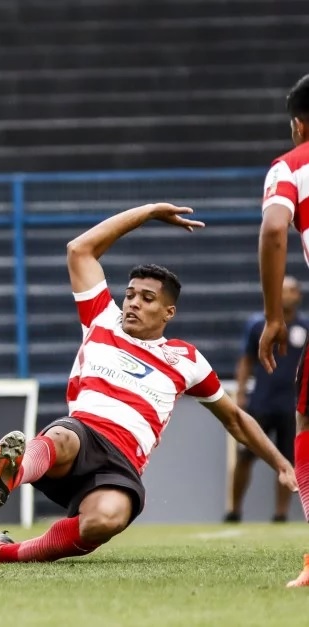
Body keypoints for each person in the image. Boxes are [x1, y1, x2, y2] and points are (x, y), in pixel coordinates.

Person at [0, 202, 298, 567]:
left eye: (147, 298)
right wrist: (149, 211)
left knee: (105, 520)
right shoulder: (101, 320)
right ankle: (9, 474)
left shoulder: (186, 360)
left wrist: (282, 463)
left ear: (168, 313)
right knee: (62, 437)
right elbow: (80, 249)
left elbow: (234, 418)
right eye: (130, 294)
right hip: (82, 436)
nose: (133, 303)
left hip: (120, 462)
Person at [258, 72, 309, 587]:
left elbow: (275, 229)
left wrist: (275, 316)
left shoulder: (291, 167)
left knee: (307, 425)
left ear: (298, 125)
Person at [225, 276, 305, 523]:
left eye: (292, 290)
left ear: (298, 296)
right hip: (261, 401)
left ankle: (280, 514)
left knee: (289, 460)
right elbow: (246, 360)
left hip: (291, 405)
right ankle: (234, 510)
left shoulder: (305, 327)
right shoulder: (258, 324)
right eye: (283, 290)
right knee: (245, 457)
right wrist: (240, 394)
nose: (287, 295)